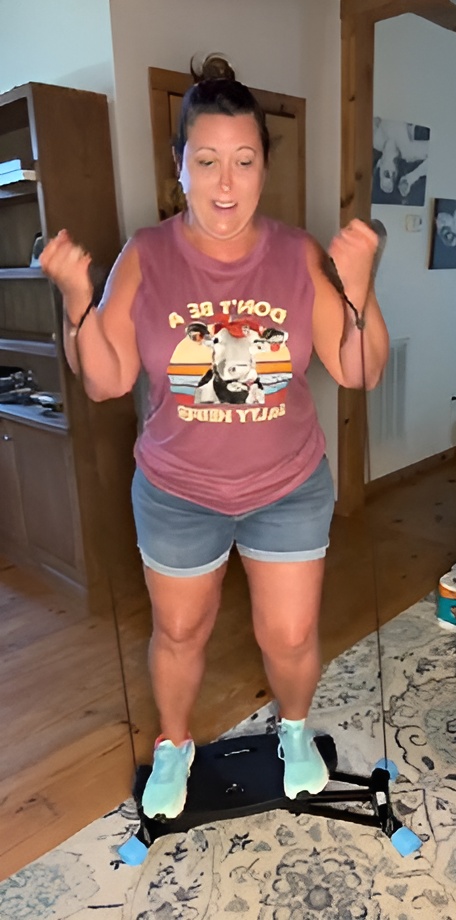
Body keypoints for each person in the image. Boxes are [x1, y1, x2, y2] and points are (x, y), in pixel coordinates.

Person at [40, 76, 389, 821]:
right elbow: (106, 380)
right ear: (179, 166)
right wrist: (77, 300)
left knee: (291, 635)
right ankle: (175, 745)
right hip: (176, 489)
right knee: (180, 631)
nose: (225, 183)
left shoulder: (296, 255)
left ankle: (293, 732)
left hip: (288, 484)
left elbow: (359, 369)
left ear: (264, 164)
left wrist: (361, 287)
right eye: (206, 161)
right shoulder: (147, 254)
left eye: (244, 160)